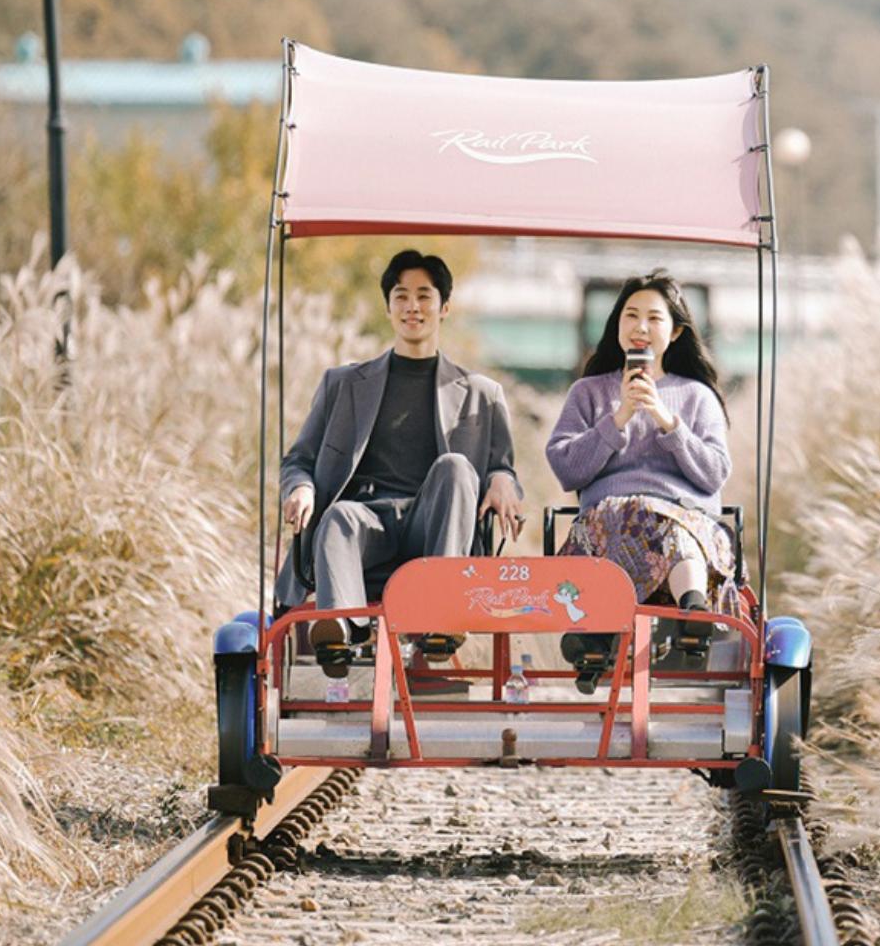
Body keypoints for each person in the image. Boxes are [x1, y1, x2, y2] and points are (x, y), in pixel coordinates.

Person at [276, 249, 524, 674]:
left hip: (432, 524)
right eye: (401, 295)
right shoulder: (343, 384)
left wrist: (502, 478)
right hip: (367, 525)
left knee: (457, 467)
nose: (413, 306)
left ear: (444, 307)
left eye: (424, 296)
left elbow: (503, 467)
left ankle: (440, 616)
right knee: (337, 517)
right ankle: (342, 632)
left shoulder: (482, 394)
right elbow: (299, 459)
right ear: (388, 307)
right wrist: (299, 486)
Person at [545, 271, 735, 686]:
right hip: (608, 519)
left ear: (676, 331)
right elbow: (566, 468)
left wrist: (669, 423)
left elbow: (715, 473)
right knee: (629, 511)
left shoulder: (697, 395)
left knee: (667, 521)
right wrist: (619, 418)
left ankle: (692, 612)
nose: (640, 327)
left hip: (685, 520)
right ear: (617, 326)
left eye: (654, 318)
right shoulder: (589, 392)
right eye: (630, 316)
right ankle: (610, 627)